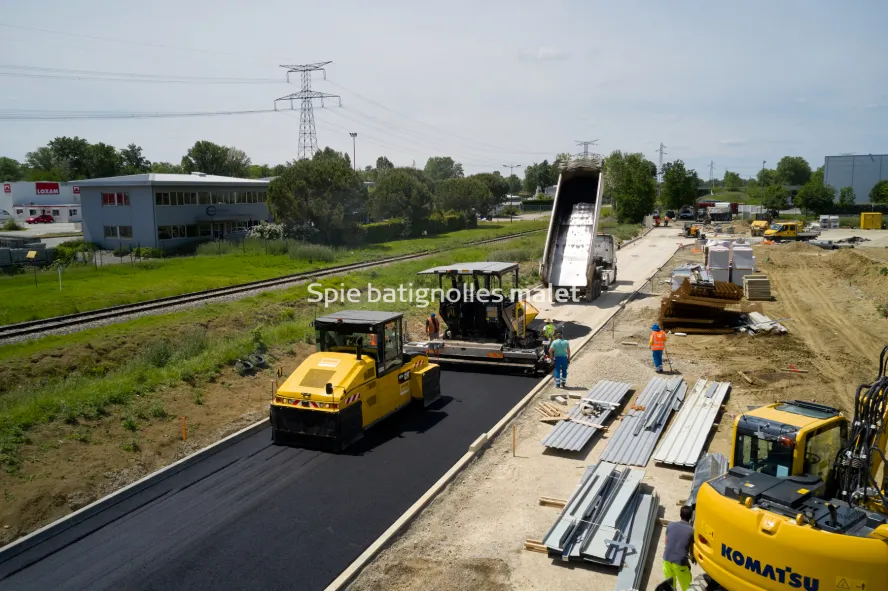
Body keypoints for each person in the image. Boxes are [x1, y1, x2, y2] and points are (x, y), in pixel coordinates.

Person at [662, 506, 695, 591]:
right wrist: (692, 557)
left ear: (680, 514)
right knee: (688, 587)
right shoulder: (691, 531)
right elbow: (692, 549)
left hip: (666, 559)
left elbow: (666, 542)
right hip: (680, 563)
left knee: (670, 587)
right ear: (691, 517)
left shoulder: (670, 525)